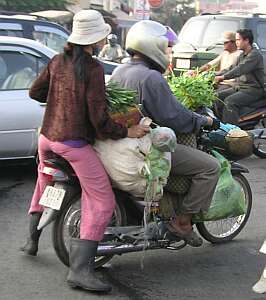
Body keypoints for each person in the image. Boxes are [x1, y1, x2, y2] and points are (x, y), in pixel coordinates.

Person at [20, 10, 149, 293]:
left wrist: (58, 98)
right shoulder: (91, 69)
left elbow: (35, 92)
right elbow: (98, 119)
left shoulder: (56, 61)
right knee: (101, 199)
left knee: (44, 182)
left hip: (46, 138)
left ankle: (31, 241)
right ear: (95, 39)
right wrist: (126, 131)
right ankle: (80, 270)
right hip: (73, 144)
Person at [111, 20, 220, 247]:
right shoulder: (151, 78)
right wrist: (203, 120)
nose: (169, 52)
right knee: (210, 167)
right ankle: (182, 221)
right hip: (148, 145)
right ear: (152, 45)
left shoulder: (120, 70)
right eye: (167, 47)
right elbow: (175, 117)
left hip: (124, 143)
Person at [215, 29, 264, 124]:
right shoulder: (242, 56)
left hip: (253, 90)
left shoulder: (255, 55)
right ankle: (220, 125)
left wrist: (223, 77)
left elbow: (240, 69)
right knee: (216, 97)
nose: (236, 42)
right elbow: (230, 68)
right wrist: (212, 74)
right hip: (240, 87)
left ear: (246, 40)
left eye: (238, 40)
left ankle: (231, 132)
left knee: (230, 101)